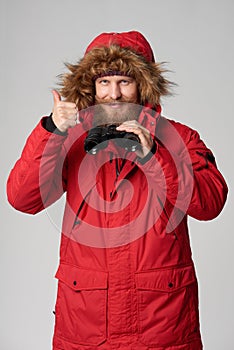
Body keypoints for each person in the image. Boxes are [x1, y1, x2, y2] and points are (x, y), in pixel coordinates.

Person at [7, 31, 228, 350]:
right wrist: (52, 131)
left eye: (125, 81)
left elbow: (211, 203)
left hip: (162, 325)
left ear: (143, 86)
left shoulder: (179, 138)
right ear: (91, 88)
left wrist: (155, 156)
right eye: (104, 82)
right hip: (87, 325)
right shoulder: (70, 141)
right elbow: (22, 197)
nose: (115, 94)